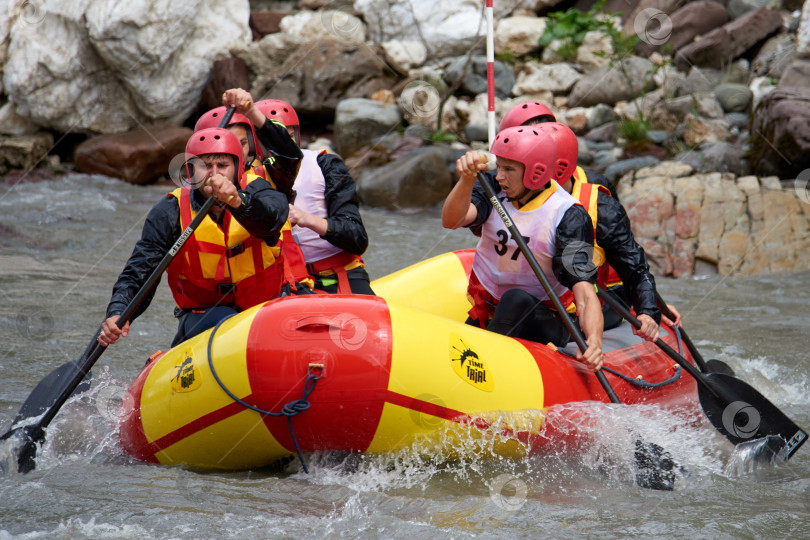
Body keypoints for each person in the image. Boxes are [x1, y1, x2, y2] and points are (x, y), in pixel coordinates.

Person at [98, 127, 298, 348]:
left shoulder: (260, 191)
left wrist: (237, 201)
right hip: (205, 316)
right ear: (191, 171)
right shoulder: (170, 210)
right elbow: (142, 270)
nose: (214, 174)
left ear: (238, 168)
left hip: (264, 310)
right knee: (222, 321)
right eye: (205, 166)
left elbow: (272, 220)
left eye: (222, 166)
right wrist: (119, 311)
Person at [499, 102, 682, 332]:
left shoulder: (596, 198)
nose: (502, 174)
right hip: (537, 288)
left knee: (519, 302)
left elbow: (629, 259)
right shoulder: (505, 185)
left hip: (590, 296)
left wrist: (649, 307)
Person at [443, 126, 603, 371]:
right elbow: (452, 220)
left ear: (536, 173)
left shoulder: (569, 215)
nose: (499, 176)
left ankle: (480, 366)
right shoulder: (492, 188)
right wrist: (466, 179)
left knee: (515, 298)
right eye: (499, 167)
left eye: (509, 169)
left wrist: (593, 342)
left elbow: (584, 291)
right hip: (490, 311)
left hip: (544, 321)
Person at [252, 97, 374, 295]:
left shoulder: (326, 165)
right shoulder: (244, 180)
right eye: (275, 139)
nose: (284, 145)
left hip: (338, 274)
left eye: (289, 137)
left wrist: (305, 218)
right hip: (286, 283)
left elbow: (357, 238)